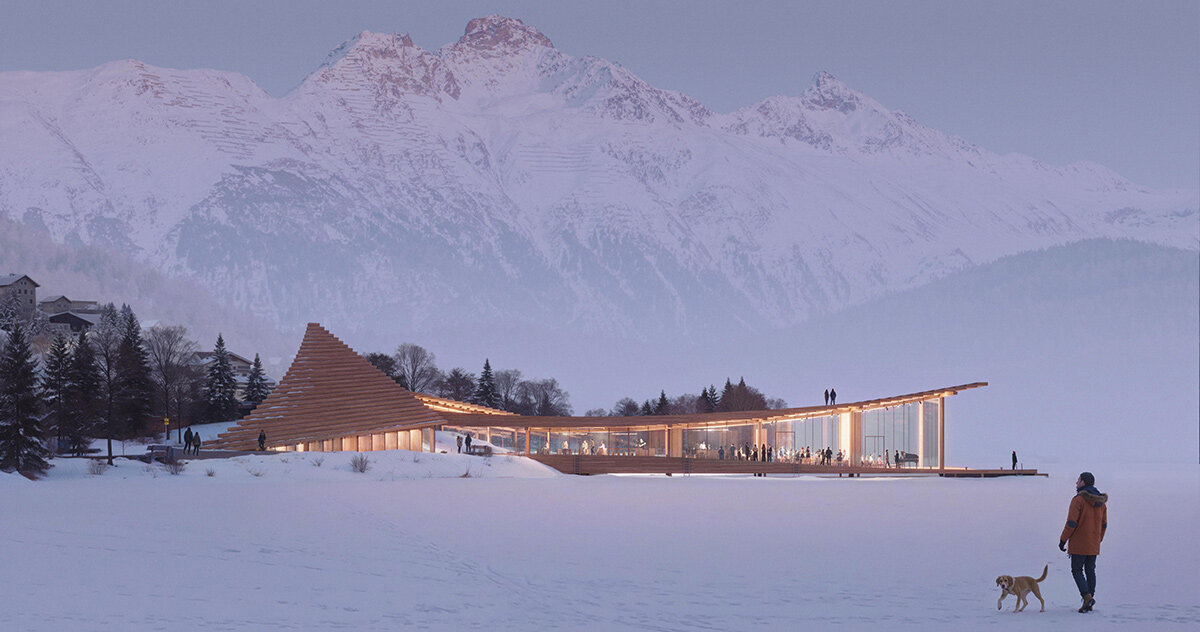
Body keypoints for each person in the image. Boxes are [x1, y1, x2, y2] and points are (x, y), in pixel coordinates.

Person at [1059, 471, 1108, 613]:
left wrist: (1063, 540)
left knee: (1077, 570)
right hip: (1093, 544)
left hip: (1079, 544)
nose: (1076, 483)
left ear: (1084, 482)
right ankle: (1090, 601)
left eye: (1078, 480)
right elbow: (1104, 525)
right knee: (1090, 570)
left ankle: (1087, 598)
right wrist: (1098, 540)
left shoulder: (1078, 500)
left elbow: (1071, 523)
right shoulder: (1101, 503)